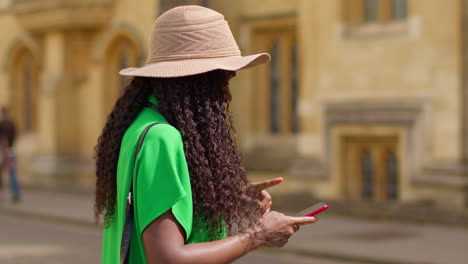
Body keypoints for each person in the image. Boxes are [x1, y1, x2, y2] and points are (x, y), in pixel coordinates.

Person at [94, 6, 318, 264]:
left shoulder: (139, 121)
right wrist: (260, 234)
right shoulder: (162, 139)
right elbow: (167, 257)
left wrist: (215, 197)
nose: (226, 96)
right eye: (222, 82)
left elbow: (149, 206)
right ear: (198, 82)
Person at [0, 106, 20, 202]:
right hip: (11, 151)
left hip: (5, 152)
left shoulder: (2, 124)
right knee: (12, 173)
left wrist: (4, 152)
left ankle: (2, 194)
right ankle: (16, 193)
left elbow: (4, 140)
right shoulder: (12, 124)